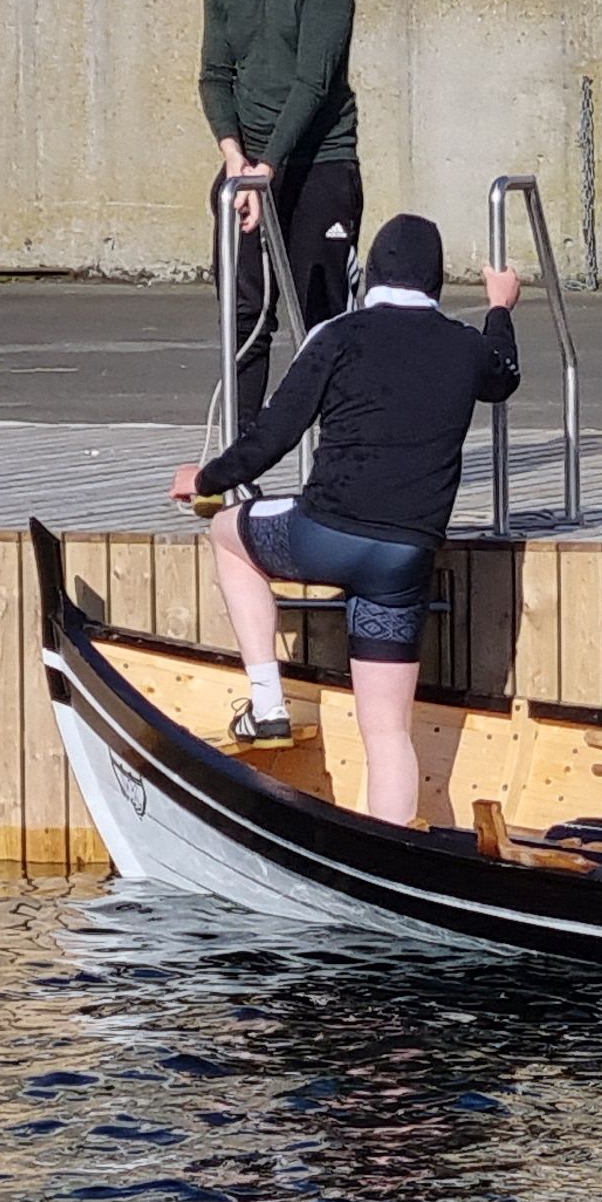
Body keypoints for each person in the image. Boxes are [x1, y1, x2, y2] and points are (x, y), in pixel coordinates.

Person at [170, 213, 519, 828]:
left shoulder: (337, 334)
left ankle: (268, 704)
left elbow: (274, 435)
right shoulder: (466, 346)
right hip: (403, 561)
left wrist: (204, 481)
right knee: (388, 732)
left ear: (371, 274)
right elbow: (504, 375)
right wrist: (499, 306)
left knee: (226, 534)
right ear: (437, 281)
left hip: (324, 535)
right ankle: (392, 851)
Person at [200, 0, 363, 431]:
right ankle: (240, 447)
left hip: (317, 163)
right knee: (244, 311)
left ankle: (335, 447)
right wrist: (235, 157)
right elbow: (215, 76)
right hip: (247, 169)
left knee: (319, 316)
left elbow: (312, 83)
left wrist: (268, 166)